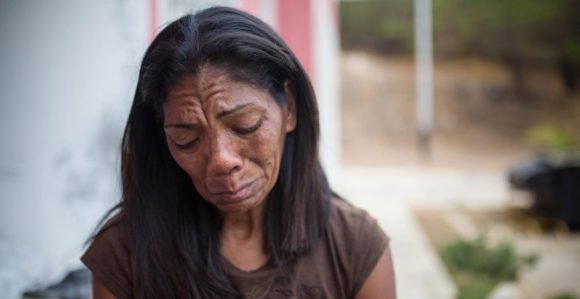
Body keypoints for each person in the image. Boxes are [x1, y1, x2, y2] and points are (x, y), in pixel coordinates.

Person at [81, 6, 396, 299]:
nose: (221, 160)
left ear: (290, 108)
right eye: (186, 139)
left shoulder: (356, 246)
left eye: (245, 125)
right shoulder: (125, 253)